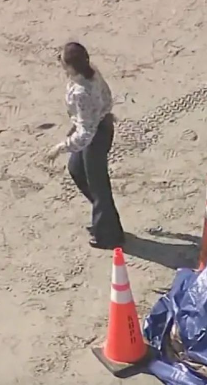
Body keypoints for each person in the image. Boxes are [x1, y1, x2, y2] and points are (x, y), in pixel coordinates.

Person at [46, 42, 125, 249]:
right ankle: (105, 216)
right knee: (76, 169)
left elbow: (85, 135)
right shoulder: (91, 73)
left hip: (95, 138)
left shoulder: (81, 91)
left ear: (72, 67)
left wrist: (60, 147)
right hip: (100, 126)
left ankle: (108, 234)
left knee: (99, 187)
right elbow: (106, 97)